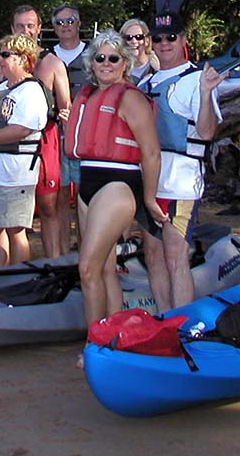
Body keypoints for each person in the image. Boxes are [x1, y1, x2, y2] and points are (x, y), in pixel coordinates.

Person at [64, 30, 167, 326]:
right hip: (89, 183)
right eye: (100, 58)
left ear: (125, 63)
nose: (106, 63)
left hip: (119, 186)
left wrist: (148, 198)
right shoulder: (88, 95)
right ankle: (113, 335)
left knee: (87, 268)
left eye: (114, 58)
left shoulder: (130, 98)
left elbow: (151, 153)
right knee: (105, 269)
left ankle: (94, 343)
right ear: (91, 62)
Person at [138, 12, 226, 312]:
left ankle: (182, 324)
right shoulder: (144, 83)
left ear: (183, 40)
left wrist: (205, 94)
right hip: (150, 182)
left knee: (176, 253)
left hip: (181, 181)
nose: (164, 44)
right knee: (152, 254)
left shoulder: (197, 79)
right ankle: (164, 319)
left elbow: (207, 131)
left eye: (171, 37)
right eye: (158, 38)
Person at [0, 33, 50, 268]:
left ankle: (18, 278)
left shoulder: (31, 90)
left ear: (24, 58)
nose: (1, 60)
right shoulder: (0, 88)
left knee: (16, 230)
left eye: (6, 55)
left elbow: (23, 128)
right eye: (0, 54)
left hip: (16, 173)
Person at [6, 4, 71, 258]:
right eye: (20, 26)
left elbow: (67, 108)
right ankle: (13, 272)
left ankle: (53, 265)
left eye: (30, 26)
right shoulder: (4, 62)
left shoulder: (52, 63)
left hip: (45, 141)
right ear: (12, 29)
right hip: (12, 143)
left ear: (39, 28)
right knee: (13, 213)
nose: (25, 31)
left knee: (48, 207)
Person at [50, 4, 88, 196]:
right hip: (55, 135)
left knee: (85, 196)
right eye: (60, 22)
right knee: (59, 197)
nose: (65, 25)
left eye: (70, 21)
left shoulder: (95, 55)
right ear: (54, 27)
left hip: (87, 134)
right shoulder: (46, 56)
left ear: (79, 23)